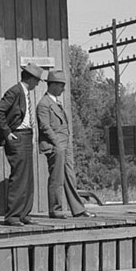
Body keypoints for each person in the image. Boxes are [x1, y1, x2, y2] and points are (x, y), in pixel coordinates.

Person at [36, 70, 96, 219]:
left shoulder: (56, 102)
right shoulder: (44, 104)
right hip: (56, 144)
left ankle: (78, 209)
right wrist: (56, 143)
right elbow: (44, 126)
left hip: (65, 144)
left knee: (70, 176)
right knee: (56, 178)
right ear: (53, 85)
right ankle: (55, 210)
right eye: (61, 85)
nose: (63, 89)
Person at [0, 62, 43, 226]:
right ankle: (13, 216)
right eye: (37, 80)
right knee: (19, 176)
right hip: (17, 136)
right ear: (31, 78)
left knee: (28, 177)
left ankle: (24, 214)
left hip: (26, 136)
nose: (37, 84)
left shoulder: (24, 92)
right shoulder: (15, 91)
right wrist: (7, 133)